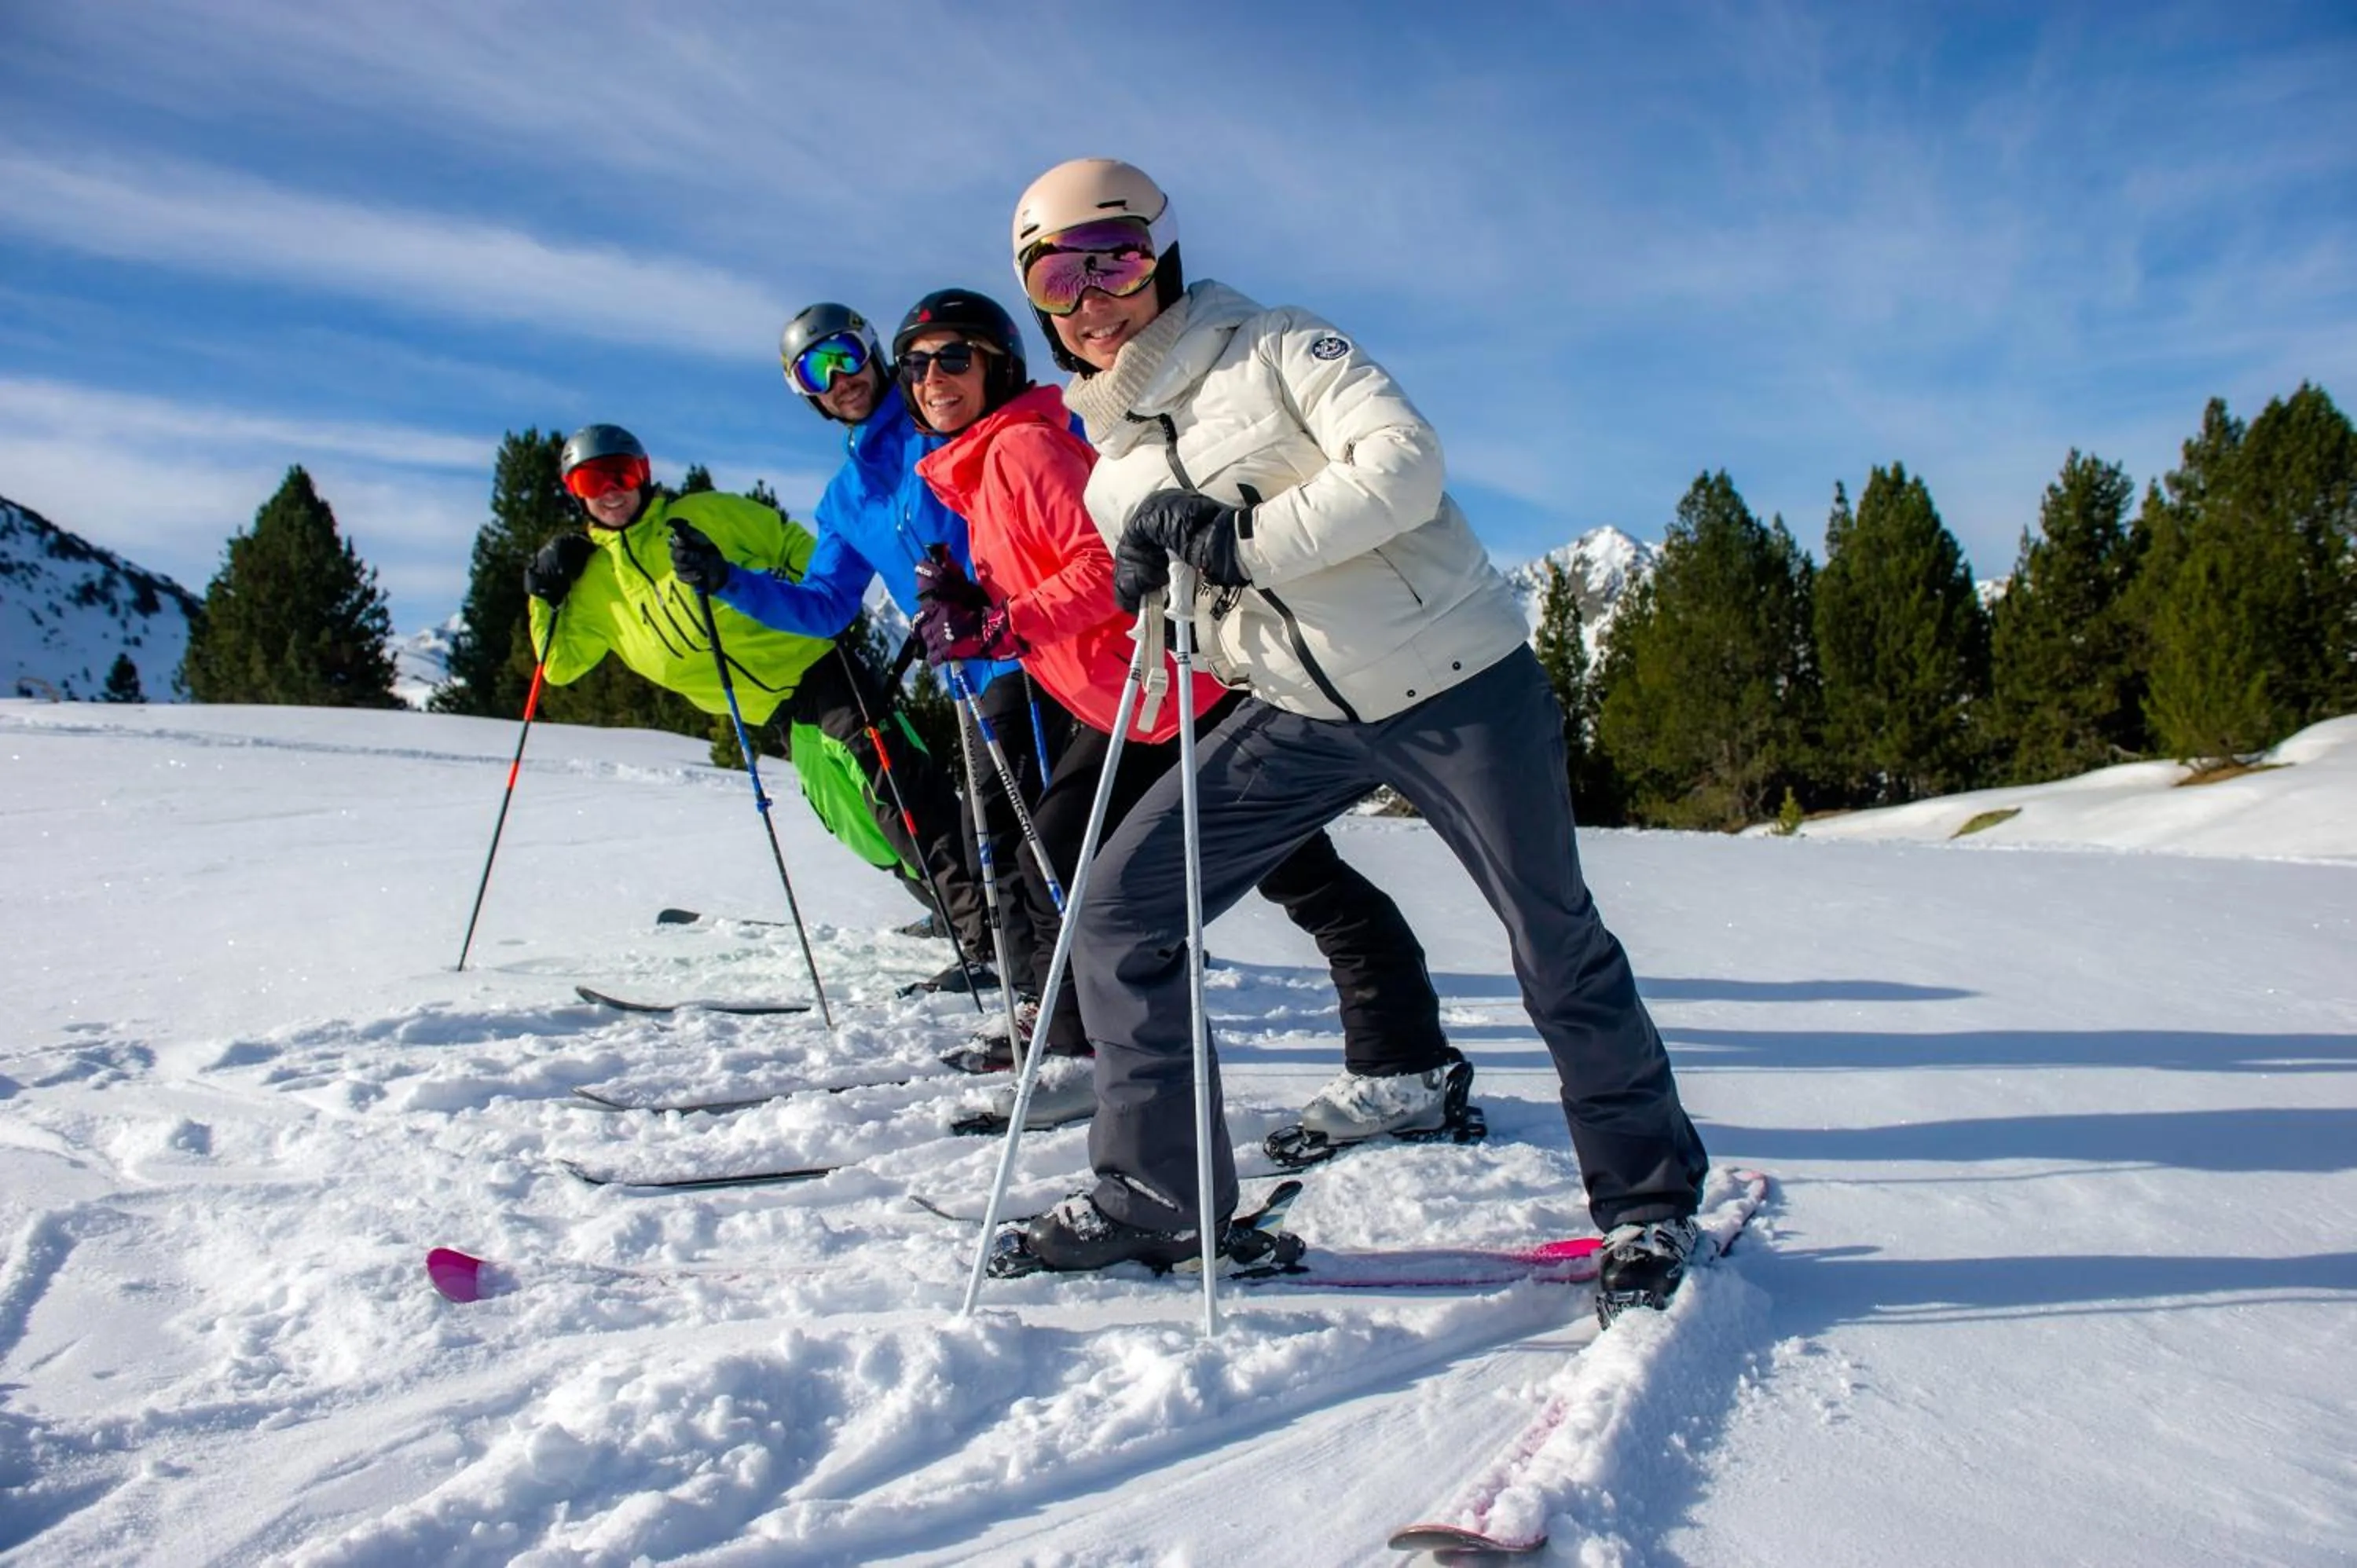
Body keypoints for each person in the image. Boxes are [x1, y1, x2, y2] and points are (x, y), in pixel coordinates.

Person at [1004, 158, 1710, 1323]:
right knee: (1123, 906)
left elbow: (1405, 470)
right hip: (1304, 713)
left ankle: (1645, 1202)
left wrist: (1234, 541)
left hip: (1456, 682)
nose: (1092, 298)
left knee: (1552, 941)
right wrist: (1165, 596)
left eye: (1113, 258)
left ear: (1160, 257)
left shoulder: (1279, 346)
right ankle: (1157, 1197)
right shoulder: (1112, 472)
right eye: (1058, 278)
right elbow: (1219, 628)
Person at [882, 286, 1458, 1135]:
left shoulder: (1023, 449)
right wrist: (974, 601)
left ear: (998, 363)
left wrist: (1002, 621)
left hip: (1185, 690)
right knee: (1082, 855)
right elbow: (1055, 575)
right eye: (919, 364)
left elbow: (1109, 566)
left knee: (1286, 873)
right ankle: (1088, 1053)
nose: (934, 377)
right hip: (1137, 704)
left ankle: (1405, 1060)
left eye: (955, 357)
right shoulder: (984, 466)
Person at [671, 306, 1058, 1009]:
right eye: (814, 370)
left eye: (846, 354)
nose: (840, 377)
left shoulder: (940, 422)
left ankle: (1058, 1002)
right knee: (1001, 843)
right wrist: (728, 580)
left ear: (876, 352)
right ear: (805, 393)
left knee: (1023, 840)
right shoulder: (846, 498)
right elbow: (826, 606)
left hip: (1036, 652)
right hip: (969, 679)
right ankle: (1045, 1000)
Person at [522, 423, 954, 936]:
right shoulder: (594, 586)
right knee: (855, 821)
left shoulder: (702, 516)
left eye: (621, 473)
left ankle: (985, 921)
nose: (610, 490)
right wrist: (544, 596)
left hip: (820, 671)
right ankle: (951, 908)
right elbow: (560, 664)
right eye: (591, 482)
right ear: (575, 493)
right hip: (774, 713)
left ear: (643, 475)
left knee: (897, 791)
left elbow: (795, 548)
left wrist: (812, 602)